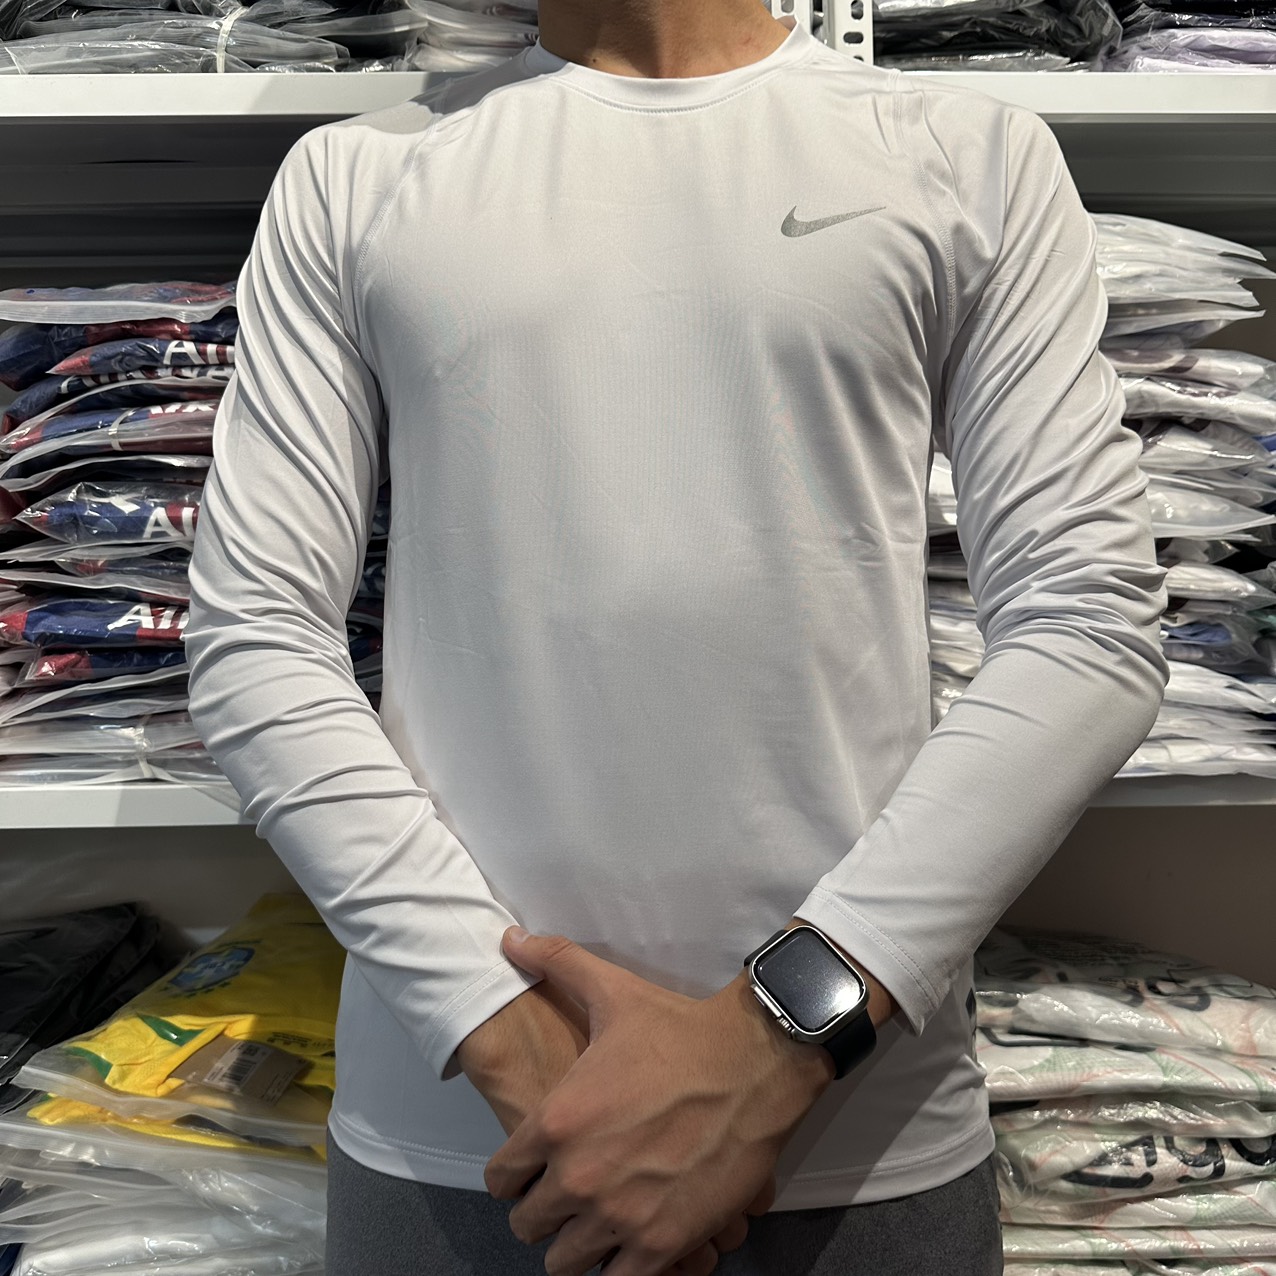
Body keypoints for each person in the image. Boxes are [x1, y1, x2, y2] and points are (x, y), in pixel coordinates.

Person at [183, 0, 1169, 1270]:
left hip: (855, 1135)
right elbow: (257, 635)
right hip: (473, 1135)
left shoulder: (965, 154)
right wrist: (504, 1033)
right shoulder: (354, 176)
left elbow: (1086, 620)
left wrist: (772, 1043)